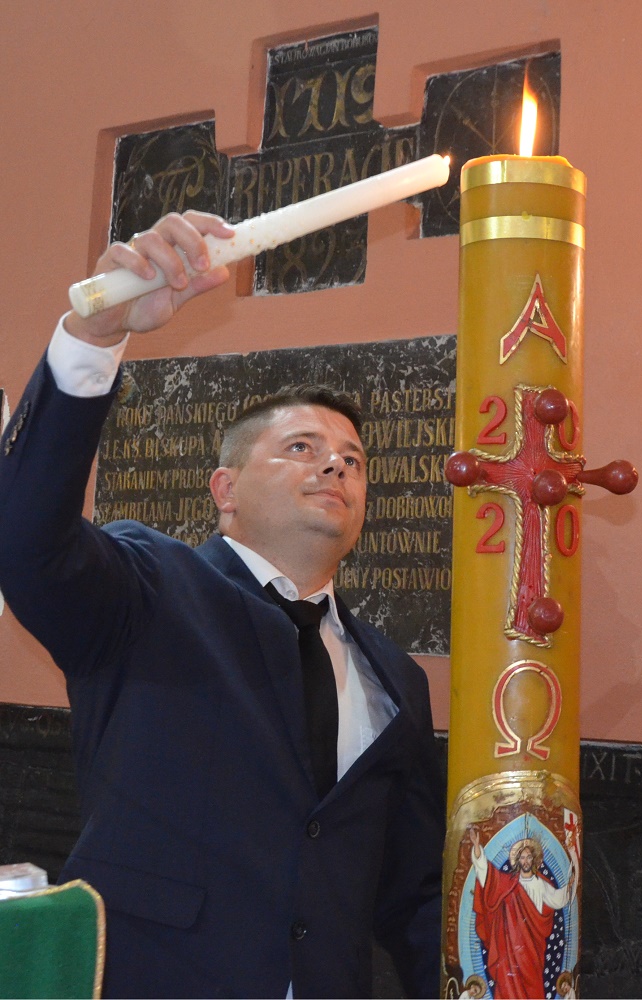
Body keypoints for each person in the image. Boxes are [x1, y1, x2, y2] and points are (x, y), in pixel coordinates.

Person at [0, 211, 445, 999]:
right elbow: (26, 544)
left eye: (351, 460)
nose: (334, 468)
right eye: (301, 448)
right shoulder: (147, 592)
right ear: (225, 490)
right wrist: (94, 334)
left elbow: (411, 893)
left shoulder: (395, 678)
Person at [469, 827, 577, 1000]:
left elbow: (558, 899)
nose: (526, 861)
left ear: (534, 860)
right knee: (507, 983)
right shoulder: (508, 883)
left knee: (533, 985)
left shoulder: (541, 884)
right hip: (508, 950)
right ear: (518, 860)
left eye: (528, 857)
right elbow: (488, 875)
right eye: (522, 857)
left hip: (532, 949)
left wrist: (570, 886)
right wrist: (476, 847)